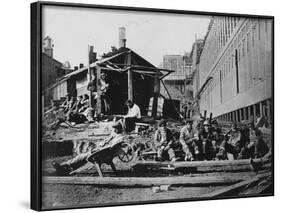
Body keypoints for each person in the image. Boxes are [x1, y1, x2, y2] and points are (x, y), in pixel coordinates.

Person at [51, 123, 124, 174]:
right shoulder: (115, 135)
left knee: (80, 157)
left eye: (115, 129)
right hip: (100, 152)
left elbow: (110, 147)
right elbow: (108, 144)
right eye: (114, 129)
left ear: (118, 129)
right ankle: (64, 166)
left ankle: (62, 166)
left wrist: (100, 147)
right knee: (80, 158)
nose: (114, 130)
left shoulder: (119, 137)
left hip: (99, 153)